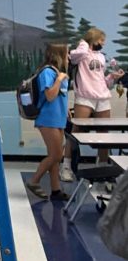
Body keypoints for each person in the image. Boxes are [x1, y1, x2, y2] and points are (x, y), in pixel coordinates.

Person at [70, 29, 126, 163]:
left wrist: (112, 76)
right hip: (85, 98)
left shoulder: (101, 56)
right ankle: (66, 165)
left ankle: (102, 165)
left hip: (102, 98)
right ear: (93, 39)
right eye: (101, 40)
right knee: (77, 131)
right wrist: (84, 42)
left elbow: (102, 80)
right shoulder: (81, 54)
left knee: (103, 133)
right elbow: (74, 56)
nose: (103, 43)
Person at [26, 45, 70, 201]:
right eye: (67, 54)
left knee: (56, 156)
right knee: (56, 154)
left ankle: (56, 190)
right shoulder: (47, 72)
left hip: (58, 119)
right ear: (59, 55)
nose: (69, 57)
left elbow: (59, 97)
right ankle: (34, 180)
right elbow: (50, 96)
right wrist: (59, 80)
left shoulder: (57, 72)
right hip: (48, 119)